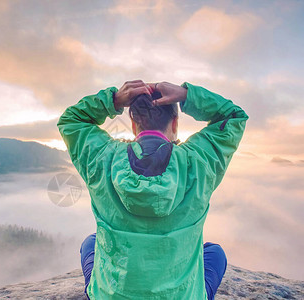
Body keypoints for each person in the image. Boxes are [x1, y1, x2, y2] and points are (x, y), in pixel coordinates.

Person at [57, 80, 249, 299]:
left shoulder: (103, 158)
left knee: (90, 242)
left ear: (133, 124)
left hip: (110, 295)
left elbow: (71, 120)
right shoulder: (198, 161)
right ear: (175, 124)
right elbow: (233, 117)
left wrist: (114, 100)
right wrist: (187, 95)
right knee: (215, 253)